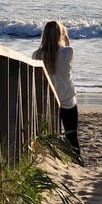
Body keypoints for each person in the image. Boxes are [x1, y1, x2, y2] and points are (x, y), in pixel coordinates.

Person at [32, 21, 84, 166]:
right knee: (71, 135)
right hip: (67, 100)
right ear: (60, 35)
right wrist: (66, 36)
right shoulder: (67, 52)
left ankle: (52, 162)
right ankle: (77, 162)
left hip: (48, 101)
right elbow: (67, 46)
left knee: (48, 135)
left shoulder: (36, 54)